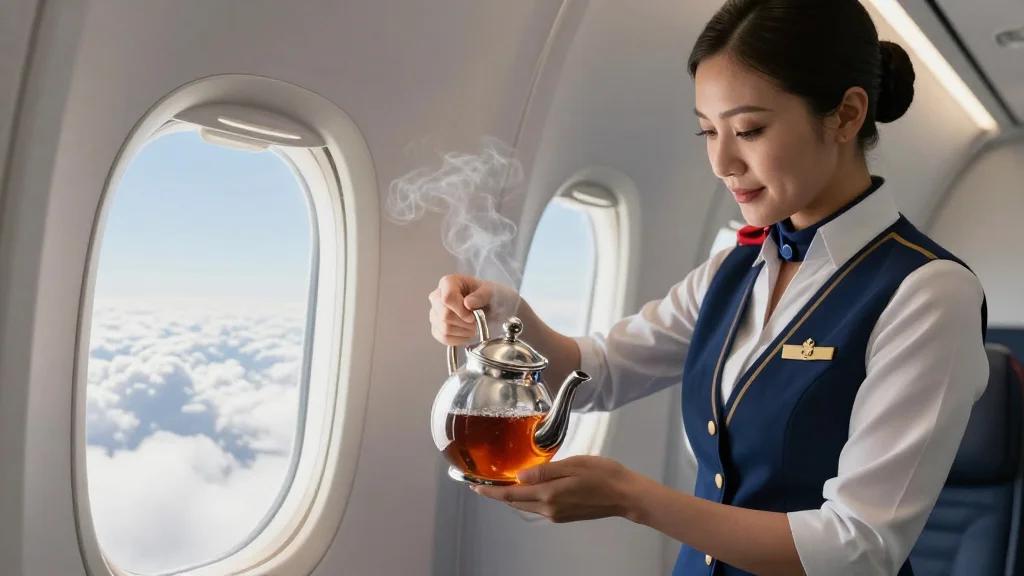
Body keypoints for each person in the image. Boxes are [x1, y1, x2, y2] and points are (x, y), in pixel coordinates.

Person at [426, 0, 989, 574]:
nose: (721, 161)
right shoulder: (734, 270)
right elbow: (598, 372)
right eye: (707, 131)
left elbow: (859, 547)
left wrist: (633, 499)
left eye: (749, 129)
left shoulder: (927, 293)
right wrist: (505, 313)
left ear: (845, 116)